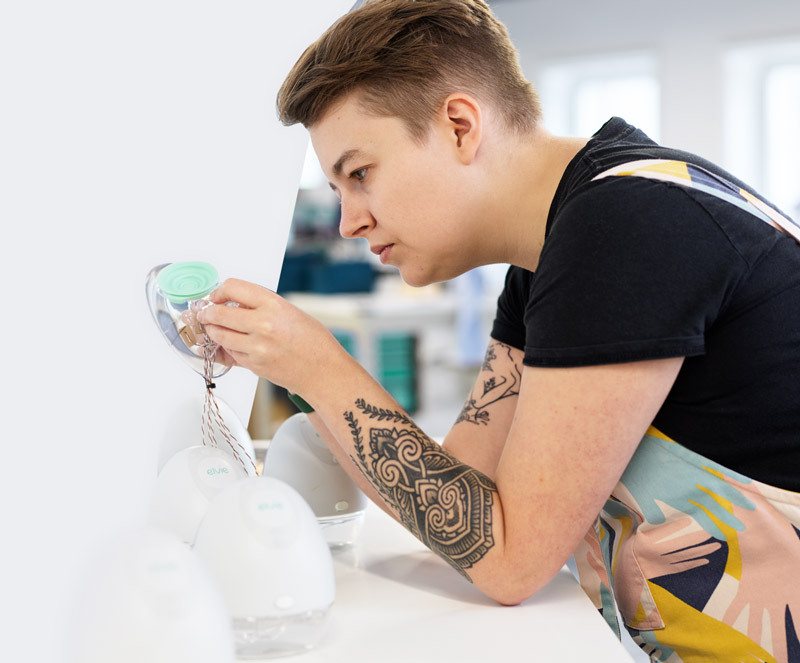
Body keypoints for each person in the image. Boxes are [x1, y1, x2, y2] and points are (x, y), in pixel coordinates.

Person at [196, 1, 800, 660]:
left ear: (459, 125)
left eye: (360, 174)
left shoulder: (624, 226)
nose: (349, 222)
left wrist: (317, 366)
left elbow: (510, 560)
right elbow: (462, 493)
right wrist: (302, 368)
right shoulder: (555, 249)